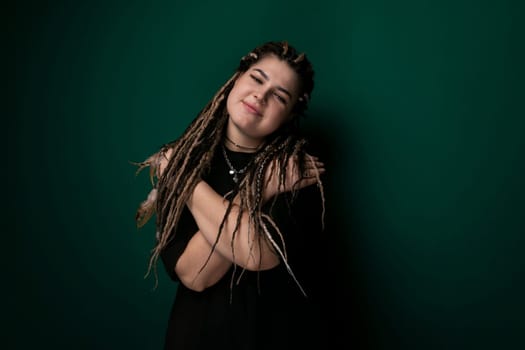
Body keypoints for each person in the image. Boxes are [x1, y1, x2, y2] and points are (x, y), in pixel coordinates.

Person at [134, 41, 327, 349]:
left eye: (279, 95)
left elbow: (254, 253)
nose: (260, 96)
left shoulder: (295, 171)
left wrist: (186, 183)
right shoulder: (185, 161)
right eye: (257, 78)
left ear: (290, 115)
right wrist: (260, 188)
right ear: (236, 79)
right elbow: (196, 275)